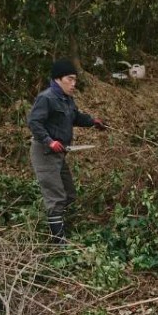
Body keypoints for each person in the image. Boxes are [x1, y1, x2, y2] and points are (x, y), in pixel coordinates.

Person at [27, 59, 108, 244]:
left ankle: (63, 225)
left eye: (75, 80)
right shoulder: (46, 98)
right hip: (45, 153)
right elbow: (34, 123)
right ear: (57, 79)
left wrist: (92, 122)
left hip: (59, 153)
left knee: (69, 193)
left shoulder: (67, 99)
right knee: (56, 196)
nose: (74, 84)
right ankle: (58, 242)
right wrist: (49, 142)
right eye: (70, 79)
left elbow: (75, 117)